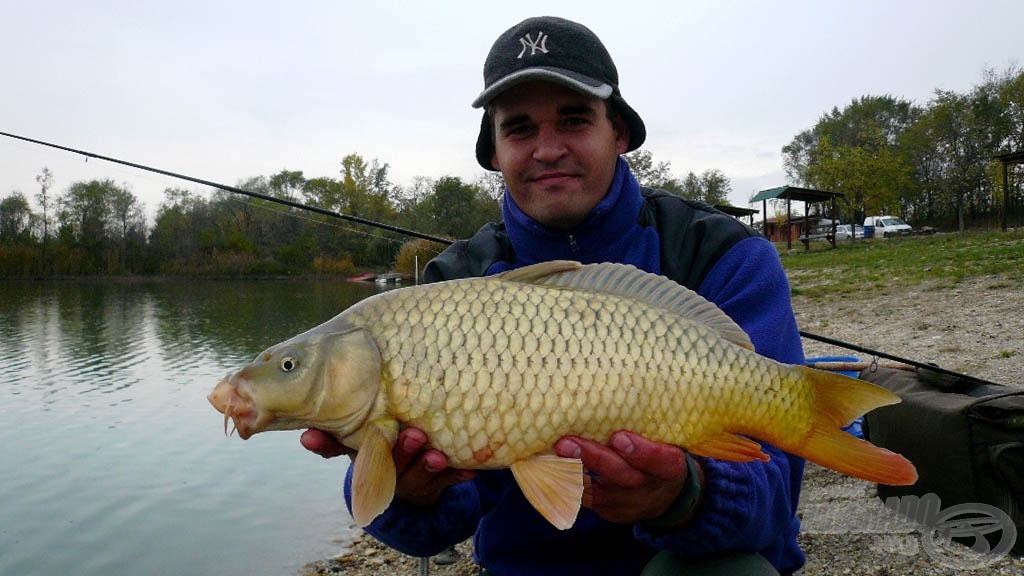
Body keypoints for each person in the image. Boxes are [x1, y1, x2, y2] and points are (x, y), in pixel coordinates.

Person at [301, 15, 806, 576]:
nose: (546, 149)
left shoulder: (720, 253)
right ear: (492, 151)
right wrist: (414, 492)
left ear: (620, 133)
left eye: (573, 120)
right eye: (519, 129)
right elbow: (438, 527)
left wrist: (683, 495)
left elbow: (778, 495)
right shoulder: (453, 286)